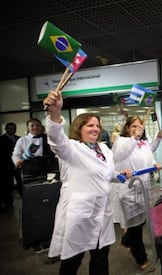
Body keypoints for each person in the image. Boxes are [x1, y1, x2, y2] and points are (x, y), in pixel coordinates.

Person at [43, 90, 128, 275]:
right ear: (79, 128)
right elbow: (57, 140)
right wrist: (55, 113)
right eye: (90, 125)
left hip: (102, 212)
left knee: (100, 258)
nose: (95, 129)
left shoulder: (104, 148)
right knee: (73, 260)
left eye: (97, 125)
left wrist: (118, 175)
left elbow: (104, 173)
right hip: (81, 213)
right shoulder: (71, 149)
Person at [111, 115, 162, 273]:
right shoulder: (122, 141)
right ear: (127, 128)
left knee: (139, 222)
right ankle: (141, 258)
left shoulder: (144, 143)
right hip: (129, 189)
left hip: (143, 188)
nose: (137, 129)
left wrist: (155, 165)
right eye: (134, 126)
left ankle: (126, 241)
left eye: (140, 126)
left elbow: (150, 158)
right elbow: (119, 156)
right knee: (135, 227)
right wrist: (134, 137)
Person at [12, 118, 55, 183]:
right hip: (29, 169)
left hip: (46, 167)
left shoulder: (48, 138)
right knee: (32, 190)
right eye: (32, 125)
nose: (35, 127)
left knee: (48, 189)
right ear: (28, 128)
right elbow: (16, 154)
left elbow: (56, 151)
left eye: (38, 125)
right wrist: (18, 162)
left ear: (41, 127)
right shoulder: (22, 140)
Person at [0, 122, 21, 210]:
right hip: (6, 166)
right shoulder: (1, 140)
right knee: (7, 185)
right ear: (6, 129)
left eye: (14, 128)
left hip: (18, 164)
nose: (12, 130)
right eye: (10, 128)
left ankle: (25, 200)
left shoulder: (19, 139)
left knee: (20, 183)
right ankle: (8, 203)